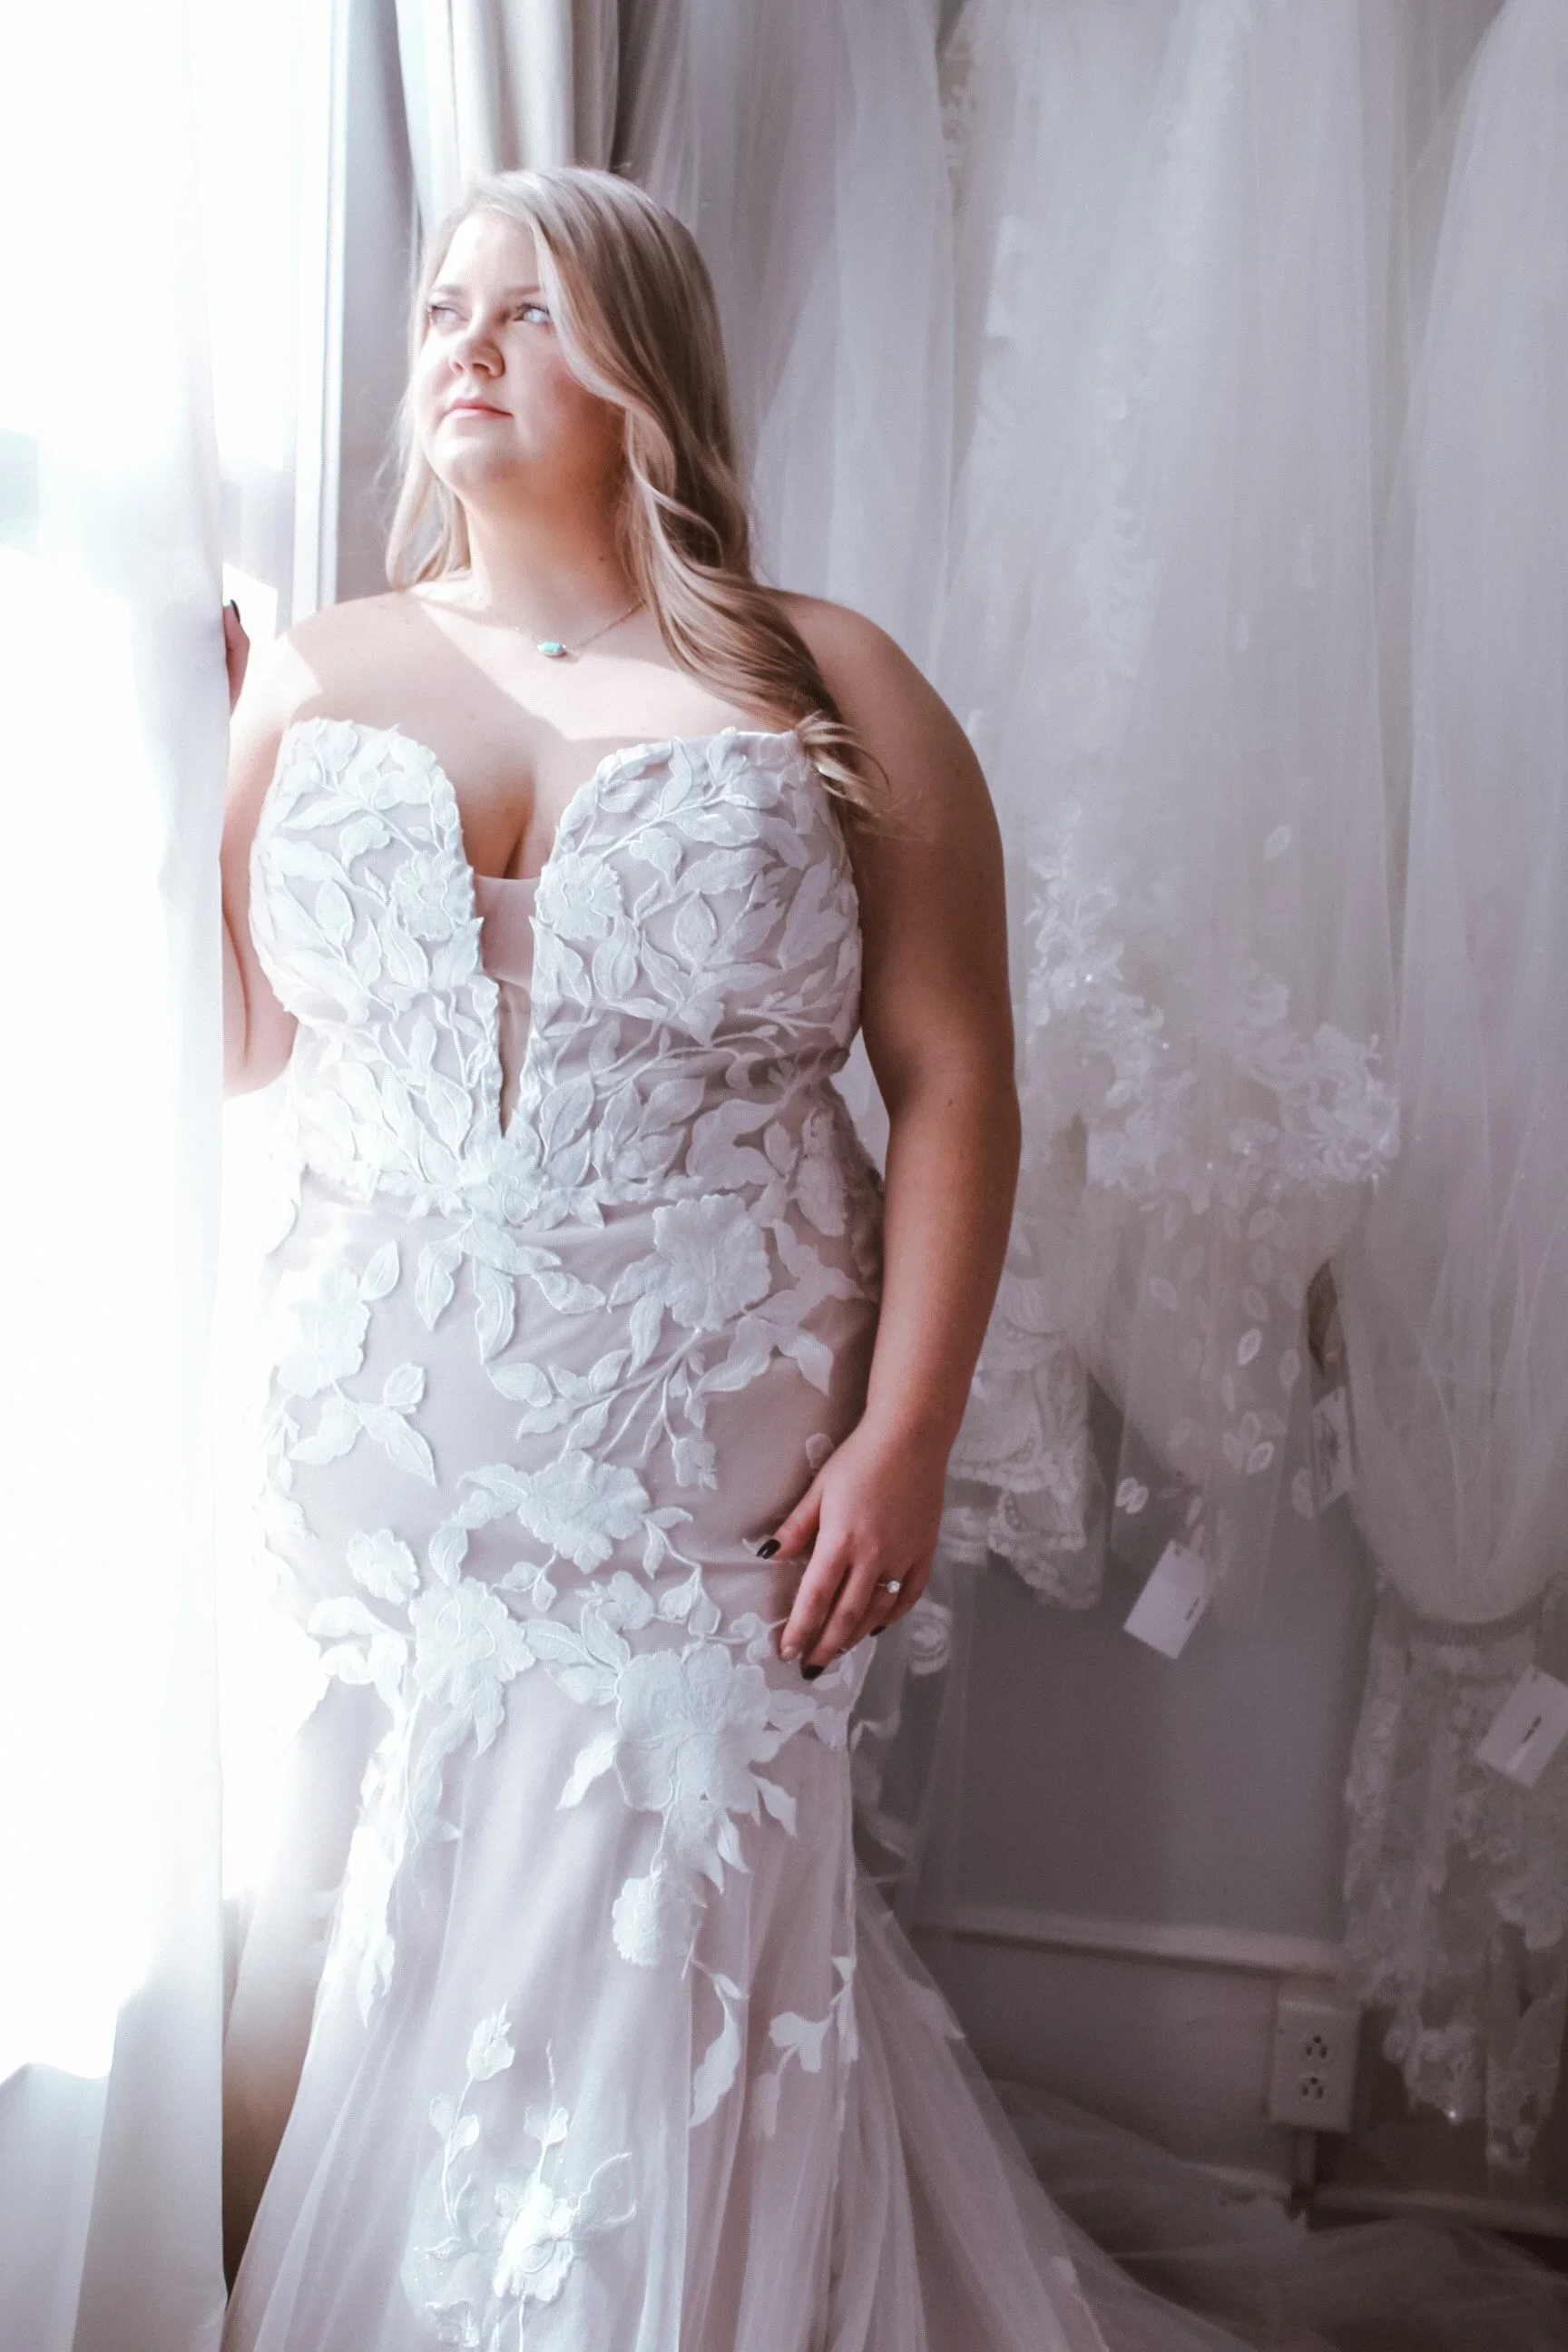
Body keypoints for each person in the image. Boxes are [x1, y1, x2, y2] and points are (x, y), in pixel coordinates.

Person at [214, 162, 1211, 2352]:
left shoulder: (823, 678)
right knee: (432, 1970)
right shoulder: (307, 668)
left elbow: (956, 1081)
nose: (463, 347)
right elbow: (235, 1040)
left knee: (672, 1968)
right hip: (392, 1479)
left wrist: (909, 1438)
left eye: (529, 311)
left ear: (645, 366)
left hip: (715, 1502)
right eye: (441, 312)